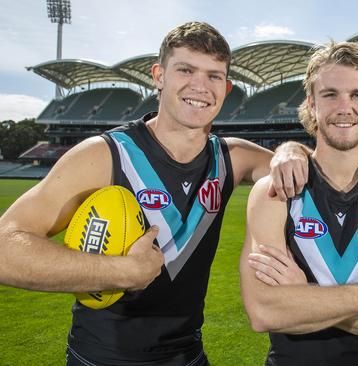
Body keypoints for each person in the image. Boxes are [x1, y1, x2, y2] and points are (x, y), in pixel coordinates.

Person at [0, 22, 313, 366]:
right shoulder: (104, 155)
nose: (200, 86)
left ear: (227, 88)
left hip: (189, 356)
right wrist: (120, 273)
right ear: (159, 76)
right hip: (101, 359)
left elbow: (323, 171)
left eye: (213, 76)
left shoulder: (232, 157)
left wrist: (296, 149)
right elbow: (5, 248)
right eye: (186, 70)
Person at [239, 41, 358, 366]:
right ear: (312, 104)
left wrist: (304, 297)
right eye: (330, 95)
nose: (344, 107)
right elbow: (265, 312)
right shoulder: (275, 191)